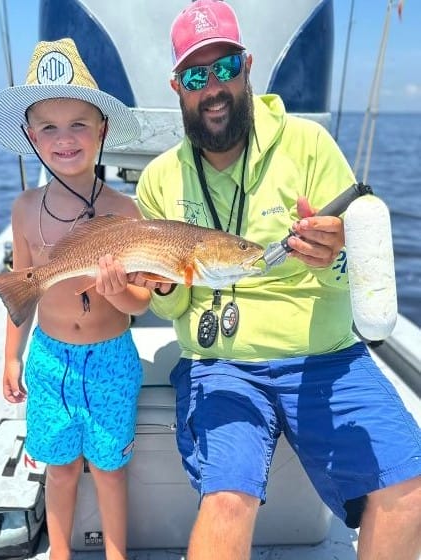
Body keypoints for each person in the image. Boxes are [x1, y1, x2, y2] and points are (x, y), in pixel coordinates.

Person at [130, 1, 421, 559]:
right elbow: (167, 310)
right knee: (227, 498)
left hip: (327, 356)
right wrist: (164, 288)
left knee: (407, 486)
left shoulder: (310, 146)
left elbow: (353, 275)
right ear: (178, 87)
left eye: (224, 68)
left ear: (247, 66)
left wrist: (335, 256)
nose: (212, 87)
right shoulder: (161, 178)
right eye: (196, 75)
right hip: (222, 365)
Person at [0, 38, 150, 560]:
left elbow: (140, 305)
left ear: (101, 131)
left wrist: (119, 289)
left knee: (109, 468)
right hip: (50, 358)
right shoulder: (25, 208)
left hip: (112, 361)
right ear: (31, 136)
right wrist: (12, 355)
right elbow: (21, 290)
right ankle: (60, 553)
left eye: (78, 123)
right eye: (49, 127)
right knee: (58, 470)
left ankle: (116, 553)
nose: (64, 139)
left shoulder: (126, 212)